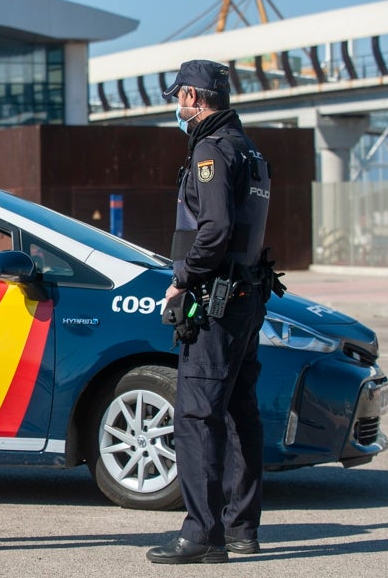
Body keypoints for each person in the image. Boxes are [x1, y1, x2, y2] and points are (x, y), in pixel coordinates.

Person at [147, 60, 272, 564]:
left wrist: (182, 282)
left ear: (195, 98)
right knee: (241, 412)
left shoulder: (211, 151)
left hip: (217, 300)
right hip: (247, 297)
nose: (177, 107)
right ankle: (242, 528)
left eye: (180, 97)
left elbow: (214, 230)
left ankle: (202, 535)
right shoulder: (250, 150)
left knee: (198, 415)